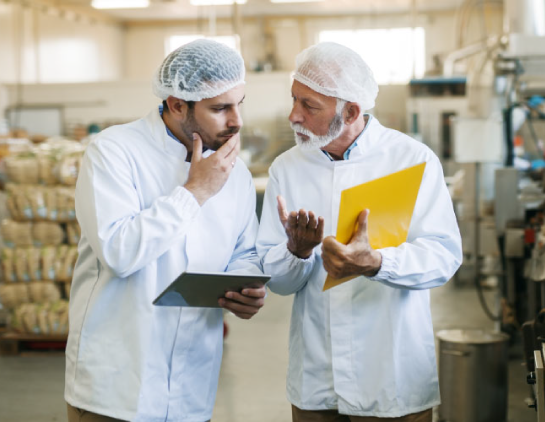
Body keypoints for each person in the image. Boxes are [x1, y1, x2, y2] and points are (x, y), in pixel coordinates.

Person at [256, 42, 462, 422]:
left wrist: (377, 263)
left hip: (391, 374)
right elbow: (279, 282)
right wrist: (296, 253)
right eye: (294, 100)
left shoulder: (411, 159)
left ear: (351, 110)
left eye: (309, 106)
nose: (293, 116)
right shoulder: (287, 168)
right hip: (316, 377)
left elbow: (443, 256)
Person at [65, 39, 266, 422]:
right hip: (117, 389)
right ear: (176, 104)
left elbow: (244, 250)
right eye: (220, 108)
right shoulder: (114, 152)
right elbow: (120, 253)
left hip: (193, 389)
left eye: (240, 103)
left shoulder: (234, 172)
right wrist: (195, 192)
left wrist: (250, 287)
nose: (237, 120)